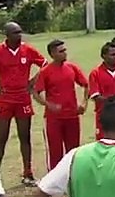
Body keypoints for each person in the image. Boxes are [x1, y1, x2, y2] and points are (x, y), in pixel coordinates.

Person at [0, 21, 48, 186]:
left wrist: (33, 81)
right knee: (1, 138)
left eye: (20, 32)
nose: (19, 35)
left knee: (25, 136)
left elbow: (45, 65)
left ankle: (28, 173)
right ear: (7, 35)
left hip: (23, 99)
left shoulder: (28, 50)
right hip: (5, 99)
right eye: (15, 33)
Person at [32, 39, 90, 174]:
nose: (65, 53)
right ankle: (55, 178)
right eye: (61, 51)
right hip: (54, 119)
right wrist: (48, 104)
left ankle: (73, 176)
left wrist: (83, 103)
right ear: (52, 54)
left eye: (65, 50)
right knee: (55, 151)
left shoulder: (72, 68)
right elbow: (35, 92)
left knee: (73, 150)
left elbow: (86, 85)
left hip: (72, 116)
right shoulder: (46, 71)